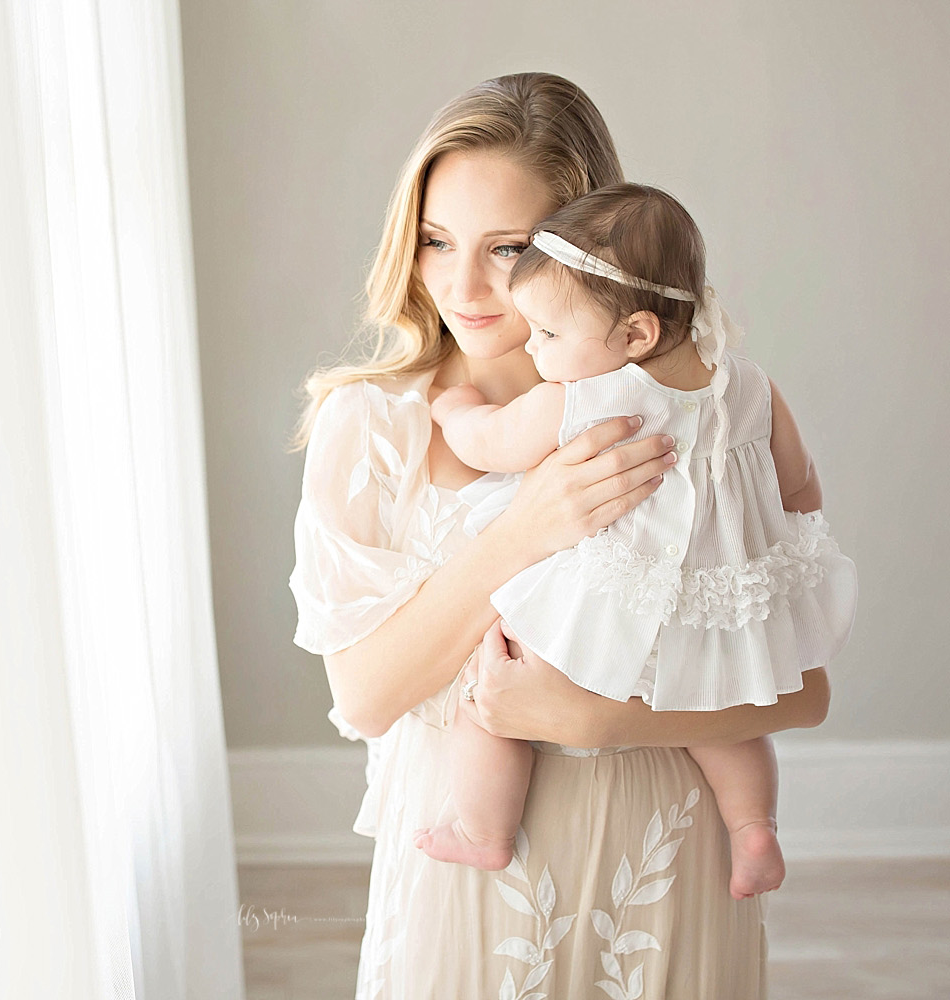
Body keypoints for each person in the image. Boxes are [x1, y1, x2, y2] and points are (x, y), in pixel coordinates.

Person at [287, 73, 832, 999]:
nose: (463, 286)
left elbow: (802, 688)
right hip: (473, 879)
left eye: (505, 249)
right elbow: (366, 696)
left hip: (667, 853)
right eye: (434, 239)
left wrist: (598, 719)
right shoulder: (374, 424)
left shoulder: (688, 408)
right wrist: (524, 529)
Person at [408, 183, 857, 903]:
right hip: (713, 603)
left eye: (549, 333)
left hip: (612, 601)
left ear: (636, 336)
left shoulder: (589, 396)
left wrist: (456, 406)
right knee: (716, 712)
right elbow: (802, 489)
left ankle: (484, 831)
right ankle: (754, 829)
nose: (534, 345)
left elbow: (492, 443)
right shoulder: (749, 387)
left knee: (488, 686)